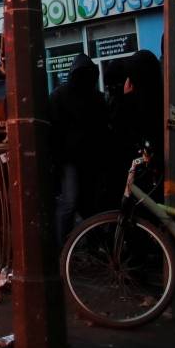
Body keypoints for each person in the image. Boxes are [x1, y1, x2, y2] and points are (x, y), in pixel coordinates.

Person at [48, 54, 108, 243]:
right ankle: (83, 243)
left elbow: (53, 130)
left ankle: (64, 246)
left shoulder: (59, 95)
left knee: (71, 202)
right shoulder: (96, 97)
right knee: (82, 202)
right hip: (85, 158)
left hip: (72, 159)